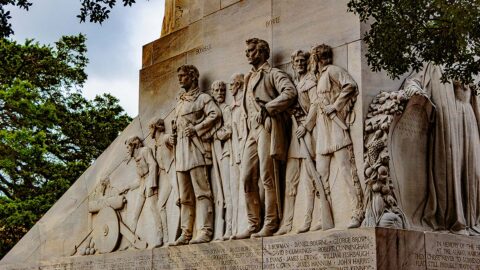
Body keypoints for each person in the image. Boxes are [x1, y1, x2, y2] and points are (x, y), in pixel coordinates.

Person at [232, 38, 297, 239]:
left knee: (267, 175)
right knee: (246, 178)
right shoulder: (248, 77)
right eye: (247, 51)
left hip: (267, 127)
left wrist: (269, 108)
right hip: (251, 131)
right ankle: (253, 223)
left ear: (261, 52)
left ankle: (271, 222)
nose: (247, 54)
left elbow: (290, 92)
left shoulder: (273, 73)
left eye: (251, 51)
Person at [404, 63, 480, 235]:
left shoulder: (468, 63)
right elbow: (414, 80)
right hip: (447, 122)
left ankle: (472, 219)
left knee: (474, 171)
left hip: (468, 118)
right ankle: (456, 221)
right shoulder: (435, 63)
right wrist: (413, 89)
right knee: (451, 167)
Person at [310, 44, 364, 228]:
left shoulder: (332, 70)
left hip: (336, 127)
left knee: (346, 171)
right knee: (320, 176)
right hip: (323, 132)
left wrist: (336, 106)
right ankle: (322, 217)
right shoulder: (319, 77)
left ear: (317, 58)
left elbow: (351, 85)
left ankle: (357, 211)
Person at [170, 65, 221, 245]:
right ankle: (186, 232)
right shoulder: (180, 102)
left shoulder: (203, 98)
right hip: (181, 151)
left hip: (197, 150)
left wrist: (197, 128)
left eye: (183, 76)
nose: (180, 79)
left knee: (202, 193)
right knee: (185, 197)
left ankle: (206, 231)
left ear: (192, 77)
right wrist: (172, 136)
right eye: (179, 76)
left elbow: (215, 114)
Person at [276, 49, 319, 235]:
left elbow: (316, 105)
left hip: (307, 133)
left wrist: (307, 126)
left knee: (310, 179)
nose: (300, 64)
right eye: (297, 61)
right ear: (293, 64)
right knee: (290, 181)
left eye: (303, 61)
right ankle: (287, 223)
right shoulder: (293, 84)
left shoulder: (311, 82)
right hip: (294, 135)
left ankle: (310, 220)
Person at [123, 136, 164, 247]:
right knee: (136, 212)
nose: (127, 150)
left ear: (134, 145)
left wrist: (152, 184)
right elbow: (139, 179)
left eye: (128, 147)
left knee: (154, 209)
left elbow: (153, 165)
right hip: (143, 185)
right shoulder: (134, 158)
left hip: (150, 183)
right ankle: (131, 240)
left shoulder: (145, 151)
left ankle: (160, 236)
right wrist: (127, 187)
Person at [210, 80, 234, 240]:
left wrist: (217, 134)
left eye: (222, 90)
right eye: (217, 90)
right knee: (218, 194)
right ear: (212, 92)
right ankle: (218, 230)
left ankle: (230, 228)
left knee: (227, 193)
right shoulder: (211, 111)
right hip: (214, 156)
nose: (220, 92)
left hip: (226, 154)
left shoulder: (226, 109)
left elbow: (230, 128)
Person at [149, 117, 177, 244]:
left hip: (173, 171)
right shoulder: (156, 144)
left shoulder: (165, 138)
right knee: (160, 205)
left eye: (150, 128)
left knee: (181, 199)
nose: (149, 131)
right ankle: (165, 236)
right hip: (164, 175)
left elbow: (172, 139)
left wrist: (173, 137)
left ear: (155, 128)